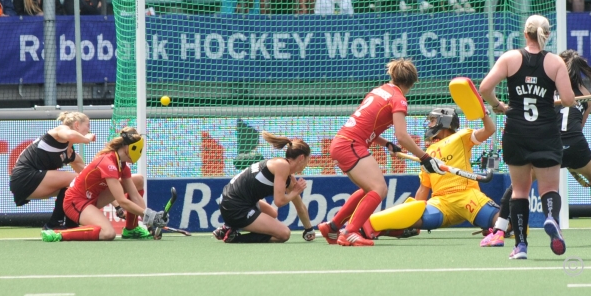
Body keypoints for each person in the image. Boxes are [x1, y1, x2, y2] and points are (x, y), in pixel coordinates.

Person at [482, 50, 591, 248]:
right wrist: (571, 162)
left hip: (549, 144)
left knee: (518, 187)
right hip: (576, 146)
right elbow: (578, 127)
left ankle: (498, 231)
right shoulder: (586, 95)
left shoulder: (547, 87)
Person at [317, 58, 445, 247]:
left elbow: (368, 126)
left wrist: (386, 144)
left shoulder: (379, 91)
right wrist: (424, 157)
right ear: (411, 82)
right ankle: (350, 232)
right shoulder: (399, 98)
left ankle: (333, 227)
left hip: (342, 142)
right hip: (351, 144)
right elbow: (402, 135)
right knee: (379, 189)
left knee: (369, 189)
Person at [479, 15, 576, 259]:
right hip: (545, 132)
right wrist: (549, 98)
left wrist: (498, 105)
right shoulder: (555, 63)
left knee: (520, 191)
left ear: (525, 34)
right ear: (548, 35)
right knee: (549, 187)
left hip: (516, 131)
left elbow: (484, 88)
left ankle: (520, 246)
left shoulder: (510, 58)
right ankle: (552, 218)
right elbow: (568, 101)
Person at [361, 107, 498, 240]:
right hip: (441, 203)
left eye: (432, 120)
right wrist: (413, 216)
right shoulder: (427, 154)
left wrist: (483, 113)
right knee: (412, 218)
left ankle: (504, 226)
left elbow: (490, 129)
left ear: (443, 121)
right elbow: (423, 187)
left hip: (467, 195)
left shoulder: (461, 137)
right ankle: (368, 225)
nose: (429, 124)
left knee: (503, 223)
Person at [41, 127, 166, 242]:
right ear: (129, 148)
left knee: (138, 180)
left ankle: (131, 229)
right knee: (108, 233)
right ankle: (58, 233)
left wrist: (150, 223)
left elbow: (135, 196)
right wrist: (150, 216)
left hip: (92, 198)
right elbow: (122, 201)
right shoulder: (108, 163)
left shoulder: (122, 165)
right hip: (74, 201)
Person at [212, 132, 314, 244]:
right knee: (284, 234)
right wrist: (295, 191)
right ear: (301, 158)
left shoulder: (286, 173)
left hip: (235, 201)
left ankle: (229, 227)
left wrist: (309, 229)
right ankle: (233, 237)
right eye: (307, 160)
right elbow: (279, 201)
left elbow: (300, 206)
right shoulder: (282, 166)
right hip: (234, 206)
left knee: (272, 213)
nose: (307, 164)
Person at [10, 112, 94, 230]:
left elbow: (89, 177)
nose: (89, 129)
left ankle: (70, 223)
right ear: (76, 125)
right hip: (23, 179)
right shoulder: (61, 130)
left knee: (78, 185)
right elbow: (70, 135)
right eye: (88, 125)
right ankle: (53, 224)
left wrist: (117, 206)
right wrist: (86, 139)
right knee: (75, 179)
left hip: (33, 184)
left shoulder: (70, 153)